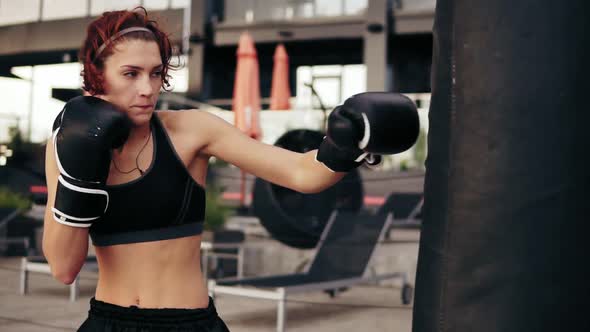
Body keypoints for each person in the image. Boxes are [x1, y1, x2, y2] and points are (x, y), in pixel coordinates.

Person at [42, 7, 419, 332]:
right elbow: (63, 268)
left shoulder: (191, 130)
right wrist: (79, 175)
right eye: (131, 73)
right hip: (109, 322)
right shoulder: (65, 145)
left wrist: (344, 146)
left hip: (188, 323)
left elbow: (303, 174)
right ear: (97, 73)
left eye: (156, 73)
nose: (147, 88)